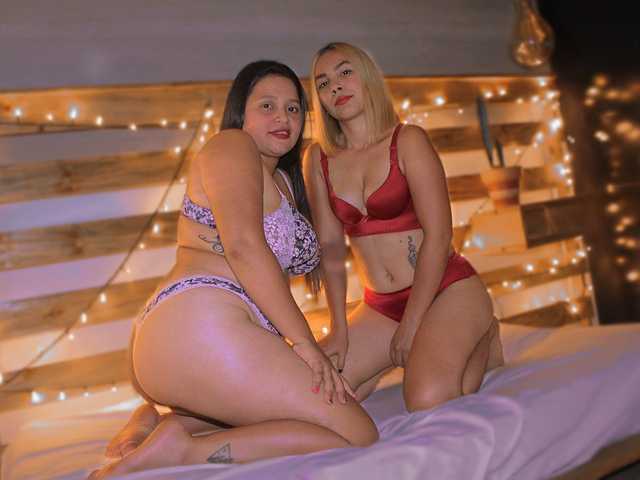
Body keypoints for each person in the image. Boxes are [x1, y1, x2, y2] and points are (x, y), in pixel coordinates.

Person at [90, 60, 377, 479]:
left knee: (336, 406)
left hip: (209, 338)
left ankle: (163, 423)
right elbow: (243, 246)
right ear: (241, 113)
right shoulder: (231, 145)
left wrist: (331, 333)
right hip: (198, 322)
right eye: (267, 105)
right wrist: (304, 345)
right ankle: (186, 451)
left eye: (293, 108)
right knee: (357, 433)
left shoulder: (283, 180)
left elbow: (315, 255)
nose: (283, 117)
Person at [303, 42, 504, 412]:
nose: (336, 86)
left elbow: (440, 236)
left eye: (345, 72)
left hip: (446, 290)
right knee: (314, 393)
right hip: (380, 307)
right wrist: (339, 329)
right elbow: (330, 248)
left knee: (427, 398)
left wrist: (411, 325)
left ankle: (485, 332)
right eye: (323, 82)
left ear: (367, 77)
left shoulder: (408, 140)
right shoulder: (317, 159)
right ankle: (391, 359)